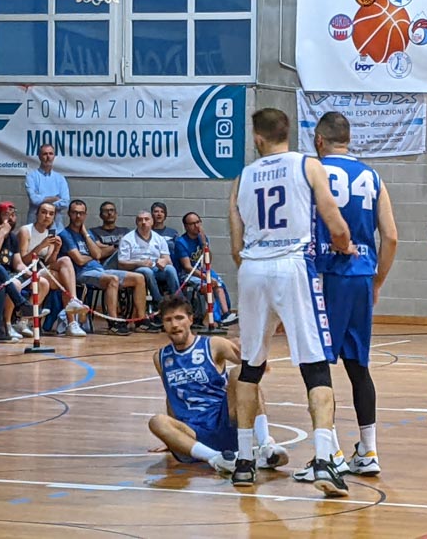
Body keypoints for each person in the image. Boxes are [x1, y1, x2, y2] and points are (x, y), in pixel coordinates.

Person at [229, 107, 354, 497]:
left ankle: (245, 461)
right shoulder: (308, 166)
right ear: (289, 133)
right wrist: (345, 246)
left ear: (257, 138)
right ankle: (324, 460)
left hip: (252, 268)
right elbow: (335, 223)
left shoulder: (242, 178)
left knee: (250, 367)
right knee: (315, 366)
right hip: (293, 266)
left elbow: (235, 245)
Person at [292, 112, 398, 481]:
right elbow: (391, 237)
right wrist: (377, 281)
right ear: (348, 139)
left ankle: (330, 453)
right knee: (357, 366)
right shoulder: (372, 176)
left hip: (326, 275)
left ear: (319, 140)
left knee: (315, 364)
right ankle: (368, 451)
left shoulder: (311, 172)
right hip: (361, 277)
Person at [148, 296, 288, 475]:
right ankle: (216, 459)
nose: (174, 324)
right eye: (168, 320)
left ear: (190, 319)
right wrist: (172, 436)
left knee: (242, 373)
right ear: (163, 324)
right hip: (192, 432)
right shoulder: (160, 357)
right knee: (157, 422)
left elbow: (261, 368)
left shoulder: (213, 344)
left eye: (179, 318)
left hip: (224, 422)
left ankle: (266, 446)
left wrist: (247, 349)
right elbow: (171, 396)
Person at [59, 199, 157, 336]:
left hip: (100, 270)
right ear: (69, 214)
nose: (78, 216)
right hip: (82, 273)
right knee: (112, 279)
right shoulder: (65, 234)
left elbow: (98, 254)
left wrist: (86, 235)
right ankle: (113, 322)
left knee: (139, 278)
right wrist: (93, 256)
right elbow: (80, 260)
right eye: (75, 213)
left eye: (81, 213)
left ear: (85, 215)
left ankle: (140, 321)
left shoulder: (87, 233)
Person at [0, 201, 46, 341]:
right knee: (14, 283)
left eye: (13, 215)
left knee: (42, 282)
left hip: (8, 274)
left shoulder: (13, 238)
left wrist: (31, 275)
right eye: (6, 215)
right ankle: (8, 323)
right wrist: (2, 233)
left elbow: (18, 263)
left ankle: (24, 320)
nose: (11, 218)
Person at [16, 202, 88, 337]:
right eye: (43, 212)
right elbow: (23, 260)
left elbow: (49, 261)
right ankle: (71, 319)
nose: (47, 216)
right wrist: (41, 245)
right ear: (37, 214)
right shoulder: (25, 230)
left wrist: (56, 250)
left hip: (43, 269)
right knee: (63, 278)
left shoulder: (51, 234)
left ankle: (72, 319)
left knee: (65, 262)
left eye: (51, 214)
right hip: (26, 270)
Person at [174, 212, 237, 326]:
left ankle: (226, 314)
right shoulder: (180, 242)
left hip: (202, 270)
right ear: (186, 226)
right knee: (208, 286)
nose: (196, 226)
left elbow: (208, 261)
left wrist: (204, 244)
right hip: (189, 274)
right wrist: (206, 278)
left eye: (198, 222)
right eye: (192, 224)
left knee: (218, 284)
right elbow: (187, 267)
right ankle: (213, 318)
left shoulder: (203, 238)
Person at [118, 211, 180, 307]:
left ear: (152, 222)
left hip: (156, 268)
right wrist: (140, 263)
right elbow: (121, 264)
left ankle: (178, 300)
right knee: (146, 271)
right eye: (140, 220)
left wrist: (163, 261)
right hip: (136, 270)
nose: (143, 222)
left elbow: (168, 260)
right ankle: (158, 302)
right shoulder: (127, 239)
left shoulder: (159, 239)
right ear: (136, 222)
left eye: (146, 219)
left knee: (170, 269)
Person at [25, 143, 70, 230]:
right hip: (35, 227)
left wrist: (42, 202)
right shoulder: (31, 176)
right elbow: (34, 200)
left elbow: (65, 202)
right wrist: (54, 198)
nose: (48, 157)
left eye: (51, 154)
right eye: (45, 154)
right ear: (39, 156)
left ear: (54, 156)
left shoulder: (60, 179)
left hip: (56, 228)